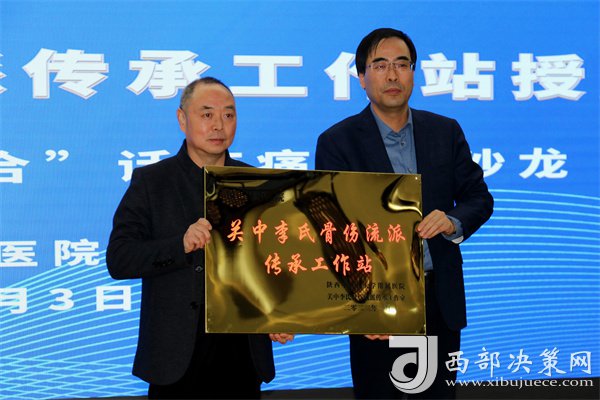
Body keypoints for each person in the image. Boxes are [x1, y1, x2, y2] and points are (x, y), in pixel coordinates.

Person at [315, 28, 493, 399]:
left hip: (438, 298)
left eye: (402, 64)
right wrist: (366, 307)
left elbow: (478, 197)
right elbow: (331, 230)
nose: (392, 75)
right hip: (378, 302)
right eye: (380, 65)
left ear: (413, 72)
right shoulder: (338, 142)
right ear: (361, 77)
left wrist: (452, 221)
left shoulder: (444, 131)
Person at [106, 77, 294, 399]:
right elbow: (119, 259)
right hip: (176, 358)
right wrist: (179, 245)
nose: (219, 125)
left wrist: (279, 313)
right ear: (182, 119)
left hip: (242, 356)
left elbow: (276, 264)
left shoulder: (258, 184)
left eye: (228, 115)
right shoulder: (152, 182)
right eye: (207, 114)